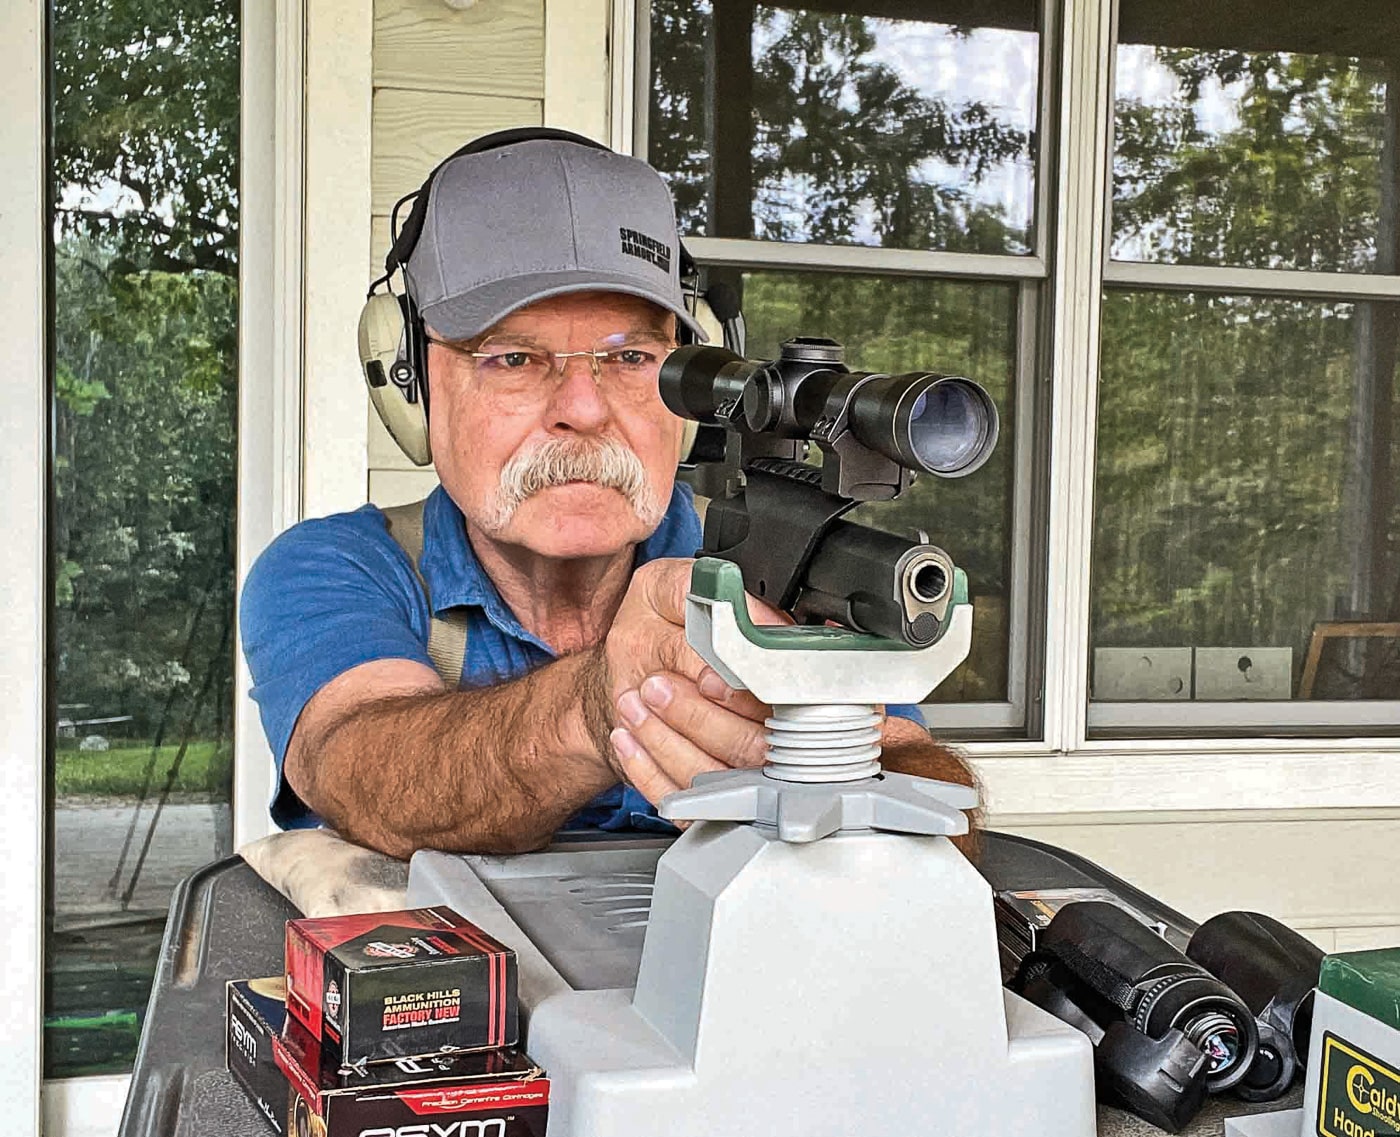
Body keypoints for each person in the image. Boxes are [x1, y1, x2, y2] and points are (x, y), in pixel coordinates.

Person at [240, 134, 976, 860]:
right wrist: (603, 703)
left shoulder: (774, 567)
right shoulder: (338, 566)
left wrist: (831, 739)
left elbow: (934, 810)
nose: (585, 409)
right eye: (514, 358)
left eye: (631, 357)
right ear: (412, 382)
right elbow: (365, 771)